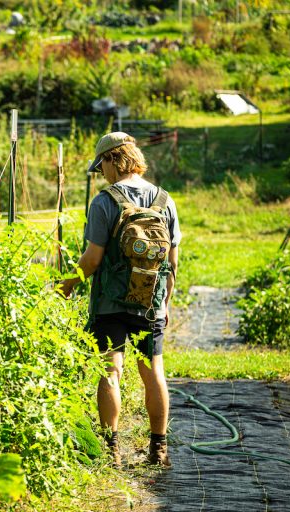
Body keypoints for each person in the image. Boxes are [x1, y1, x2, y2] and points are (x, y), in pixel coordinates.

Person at [61, 132, 181, 468]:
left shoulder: (104, 202)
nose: (102, 174)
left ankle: (111, 450)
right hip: (150, 302)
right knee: (153, 372)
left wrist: (67, 284)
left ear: (114, 159)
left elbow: (92, 260)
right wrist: (165, 303)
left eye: (102, 167)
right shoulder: (165, 200)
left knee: (111, 372)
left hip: (111, 303)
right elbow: (172, 262)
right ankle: (158, 450)